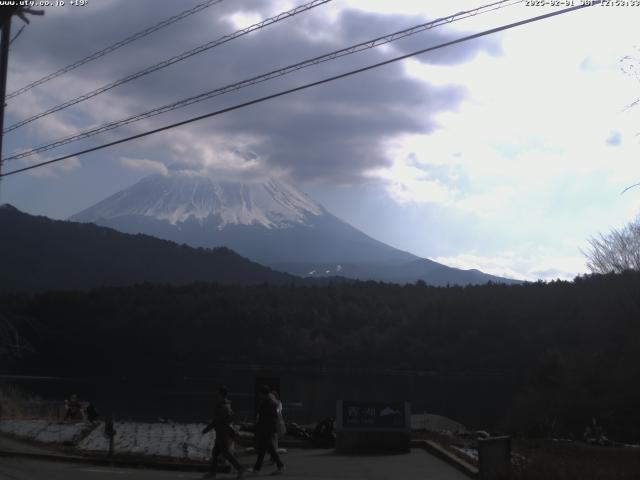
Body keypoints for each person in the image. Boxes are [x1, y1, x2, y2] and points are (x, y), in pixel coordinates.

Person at [202, 386, 245, 479]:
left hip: (222, 432)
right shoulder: (228, 404)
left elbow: (217, 420)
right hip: (222, 431)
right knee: (215, 452)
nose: (216, 394)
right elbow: (227, 418)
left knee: (225, 453)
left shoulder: (221, 405)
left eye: (218, 393)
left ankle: (240, 468)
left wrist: (206, 429)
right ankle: (212, 473)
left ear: (220, 394)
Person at [252, 385, 285, 474]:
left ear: (263, 393)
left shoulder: (268, 403)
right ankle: (257, 468)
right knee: (265, 448)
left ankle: (280, 465)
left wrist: (257, 426)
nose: (259, 395)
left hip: (267, 428)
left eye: (260, 393)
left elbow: (266, 417)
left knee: (267, 448)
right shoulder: (268, 401)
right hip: (267, 428)